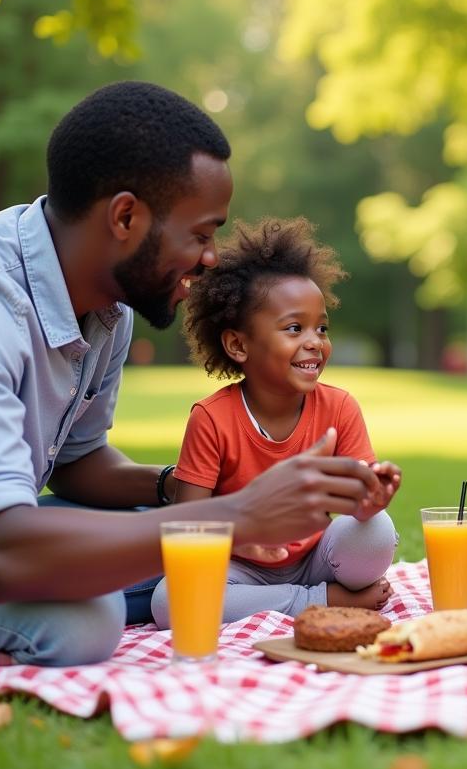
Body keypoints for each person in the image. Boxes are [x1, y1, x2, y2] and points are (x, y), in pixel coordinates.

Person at [0, 82, 386, 667]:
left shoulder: (107, 308)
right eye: (201, 234)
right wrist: (237, 515)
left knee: (170, 540)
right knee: (91, 617)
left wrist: (179, 490)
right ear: (126, 216)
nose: (210, 259)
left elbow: (76, 461)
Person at [150, 216, 400, 625]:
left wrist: (373, 500)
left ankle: (308, 594)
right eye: (295, 328)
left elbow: (360, 498)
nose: (315, 342)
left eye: (321, 327)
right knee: (169, 599)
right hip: (240, 566)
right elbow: (187, 527)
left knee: (377, 532)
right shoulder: (211, 419)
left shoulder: (340, 407)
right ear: (237, 344)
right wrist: (244, 538)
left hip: (318, 557)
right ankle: (322, 601)